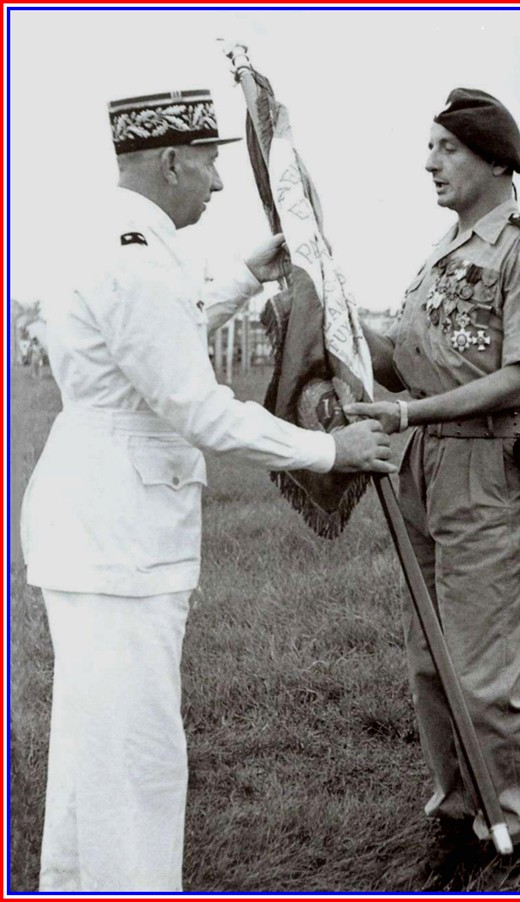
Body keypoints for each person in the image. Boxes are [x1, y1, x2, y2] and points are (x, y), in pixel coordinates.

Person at [20, 88, 395, 893]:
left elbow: (166, 330)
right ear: (171, 161)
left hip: (94, 525)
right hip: (121, 537)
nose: (221, 183)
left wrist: (241, 275)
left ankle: (76, 882)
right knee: (139, 759)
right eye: (213, 162)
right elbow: (197, 406)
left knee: (94, 746)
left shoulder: (114, 240)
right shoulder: (135, 256)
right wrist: (330, 447)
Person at [347, 88, 520, 859]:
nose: (430, 162)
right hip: (423, 465)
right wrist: (332, 318)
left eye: (447, 149)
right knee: (430, 655)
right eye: (430, 147)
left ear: (496, 159)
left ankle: (515, 825)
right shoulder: (441, 252)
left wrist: (409, 415)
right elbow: (405, 362)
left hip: (486, 464)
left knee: (485, 668)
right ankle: (459, 815)